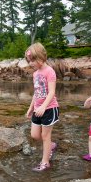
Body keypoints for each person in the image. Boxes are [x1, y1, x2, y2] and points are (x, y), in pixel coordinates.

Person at [25, 42, 59, 172]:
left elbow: (51, 92)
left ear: (41, 57)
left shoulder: (49, 71)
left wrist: (44, 107)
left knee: (45, 136)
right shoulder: (35, 74)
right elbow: (36, 92)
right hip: (37, 108)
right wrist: (30, 108)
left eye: (32, 60)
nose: (30, 63)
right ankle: (51, 145)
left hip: (49, 109)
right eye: (29, 61)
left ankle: (45, 162)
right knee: (34, 135)